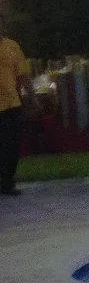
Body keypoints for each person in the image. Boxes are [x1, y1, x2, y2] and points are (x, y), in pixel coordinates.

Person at [0, 20, 30, 195]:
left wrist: (32, 98)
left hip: (11, 104)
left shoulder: (12, 47)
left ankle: (7, 182)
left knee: (11, 146)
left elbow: (23, 74)